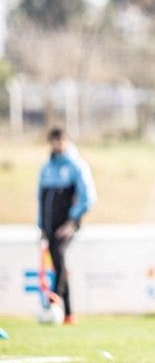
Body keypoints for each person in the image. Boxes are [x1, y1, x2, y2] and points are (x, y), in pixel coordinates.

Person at [38, 127, 96, 324]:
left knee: (59, 256)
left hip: (67, 225)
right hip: (50, 226)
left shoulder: (76, 165)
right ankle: (68, 313)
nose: (57, 146)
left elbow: (88, 198)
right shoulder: (47, 167)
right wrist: (42, 227)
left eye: (60, 141)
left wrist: (72, 221)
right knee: (57, 261)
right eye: (54, 142)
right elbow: (42, 198)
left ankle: (54, 298)